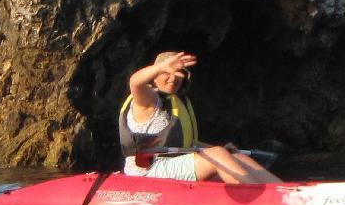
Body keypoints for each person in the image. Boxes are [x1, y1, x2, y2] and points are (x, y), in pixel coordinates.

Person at [120, 51, 279, 184]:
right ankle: (261, 198)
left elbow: (188, 144)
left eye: (178, 73)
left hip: (172, 164)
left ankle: (282, 191)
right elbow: (135, 82)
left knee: (235, 156)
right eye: (166, 73)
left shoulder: (178, 101)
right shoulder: (147, 99)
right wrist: (161, 66)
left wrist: (225, 151)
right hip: (146, 170)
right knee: (218, 154)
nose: (173, 78)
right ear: (154, 77)